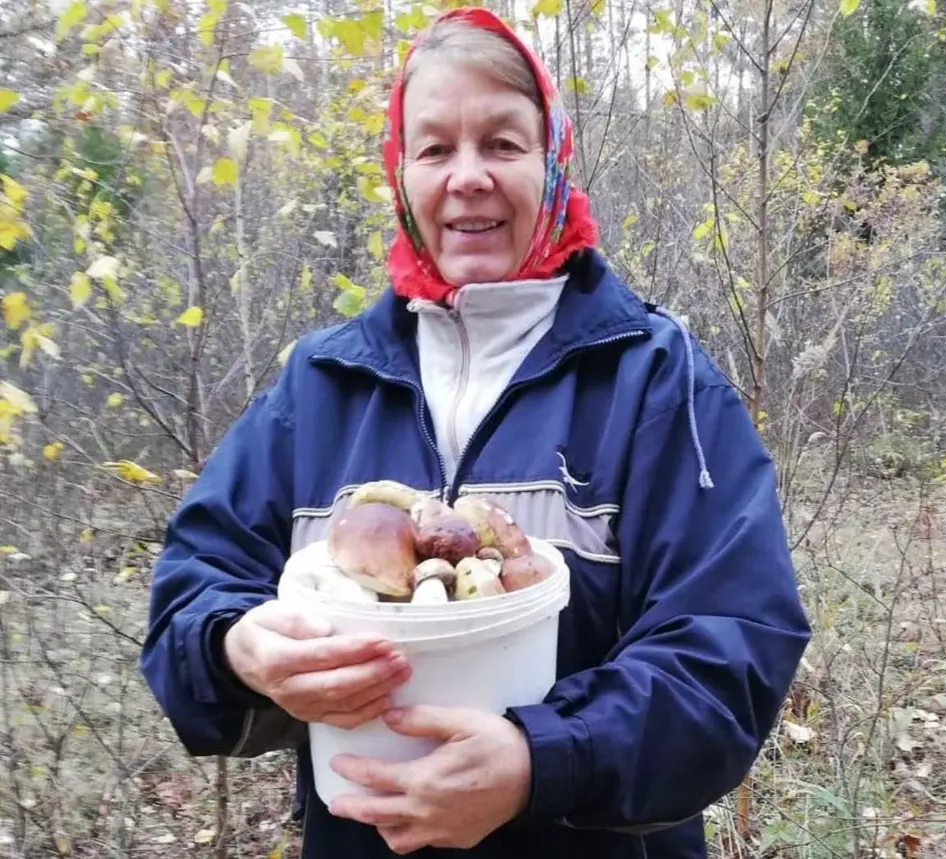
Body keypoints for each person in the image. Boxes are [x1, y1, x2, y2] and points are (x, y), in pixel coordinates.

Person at [139, 7, 811, 858]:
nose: (468, 177)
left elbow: (734, 648)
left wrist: (541, 760)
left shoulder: (653, 377)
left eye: (502, 143)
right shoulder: (321, 387)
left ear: (552, 161)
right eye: (435, 149)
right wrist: (236, 649)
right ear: (400, 172)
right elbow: (189, 600)